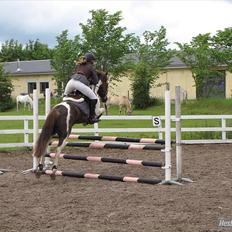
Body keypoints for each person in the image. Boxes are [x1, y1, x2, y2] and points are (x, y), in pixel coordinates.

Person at [64, 52, 100, 124]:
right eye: (93, 60)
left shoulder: (79, 65)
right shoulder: (90, 66)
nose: (94, 62)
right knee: (94, 98)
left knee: (65, 97)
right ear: (91, 60)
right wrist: (90, 81)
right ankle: (92, 117)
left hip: (70, 82)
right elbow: (96, 81)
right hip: (79, 83)